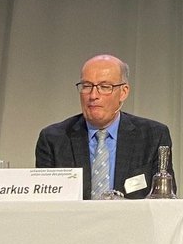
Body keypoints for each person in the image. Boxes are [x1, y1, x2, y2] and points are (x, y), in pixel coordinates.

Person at [35, 54, 174, 199]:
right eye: (87, 86)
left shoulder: (153, 136)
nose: (93, 95)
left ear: (123, 92)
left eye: (104, 87)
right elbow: (45, 203)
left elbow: (164, 199)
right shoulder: (53, 139)